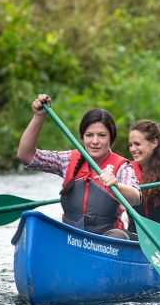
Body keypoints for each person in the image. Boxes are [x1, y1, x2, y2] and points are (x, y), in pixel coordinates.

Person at [17, 94, 141, 239]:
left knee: (118, 236)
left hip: (108, 240)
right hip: (72, 237)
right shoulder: (69, 160)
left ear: (111, 138)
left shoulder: (122, 167)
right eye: (89, 135)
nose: (95, 141)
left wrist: (117, 185)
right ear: (82, 137)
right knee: (37, 222)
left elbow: (135, 197)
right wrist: (39, 116)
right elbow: (26, 156)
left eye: (102, 135)